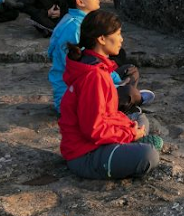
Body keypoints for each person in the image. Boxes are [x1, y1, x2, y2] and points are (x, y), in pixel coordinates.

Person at [58, 10, 163, 179]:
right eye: (118, 34)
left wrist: (128, 128)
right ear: (101, 39)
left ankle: (131, 142)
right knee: (148, 156)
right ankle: (133, 145)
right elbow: (93, 130)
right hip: (85, 154)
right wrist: (129, 133)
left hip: (93, 141)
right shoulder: (94, 76)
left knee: (139, 119)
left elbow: (106, 115)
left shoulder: (94, 67)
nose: (121, 39)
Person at [48, 0, 153, 113]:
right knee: (130, 92)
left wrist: (115, 81)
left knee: (130, 71)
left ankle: (125, 99)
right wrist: (113, 85)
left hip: (94, 77)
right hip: (76, 97)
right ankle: (125, 102)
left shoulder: (79, 20)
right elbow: (84, 72)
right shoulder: (74, 28)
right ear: (80, 1)